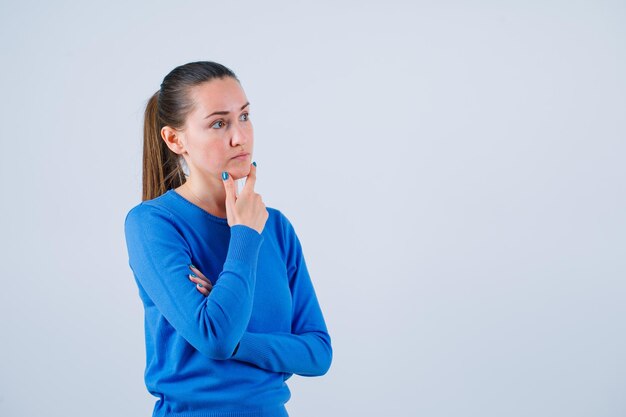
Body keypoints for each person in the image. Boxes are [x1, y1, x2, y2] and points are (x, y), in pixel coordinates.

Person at [123, 61, 332, 417]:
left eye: (245, 117)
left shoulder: (276, 226)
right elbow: (215, 338)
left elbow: (317, 352)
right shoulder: (153, 224)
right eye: (219, 123)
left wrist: (239, 341)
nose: (240, 137)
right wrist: (244, 237)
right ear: (175, 139)